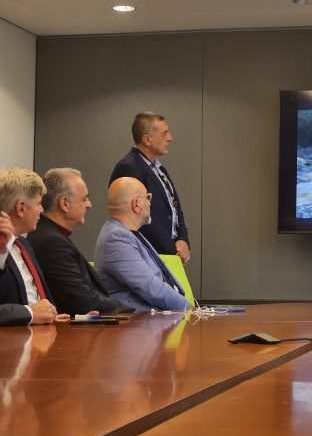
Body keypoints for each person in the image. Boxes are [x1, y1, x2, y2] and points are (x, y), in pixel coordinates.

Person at [27, 168, 133, 316]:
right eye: (84, 199)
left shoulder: (52, 236)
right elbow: (84, 302)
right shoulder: (51, 243)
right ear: (64, 203)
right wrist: (135, 312)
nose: (89, 204)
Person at [94, 177, 189, 312]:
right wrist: (188, 309)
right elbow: (151, 288)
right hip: (139, 321)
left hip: (156, 317)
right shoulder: (116, 237)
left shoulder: (127, 233)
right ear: (137, 204)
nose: (150, 203)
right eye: (148, 197)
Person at [109, 112, 190, 261]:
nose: (170, 138)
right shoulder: (128, 168)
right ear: (147, 139)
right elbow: (141, 215)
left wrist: (182, 239)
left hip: (169, 253)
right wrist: (173, 250)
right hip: (149, 256)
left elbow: (175, 207)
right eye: (164, 134)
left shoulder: (159, 168)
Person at [0, 168, 59, 325]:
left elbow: (37, 299)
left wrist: (53, 315)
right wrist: (30, 313)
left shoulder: (24, 244)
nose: (42, 210)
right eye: (39, 203)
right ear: (21, 208)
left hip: (41, 332)